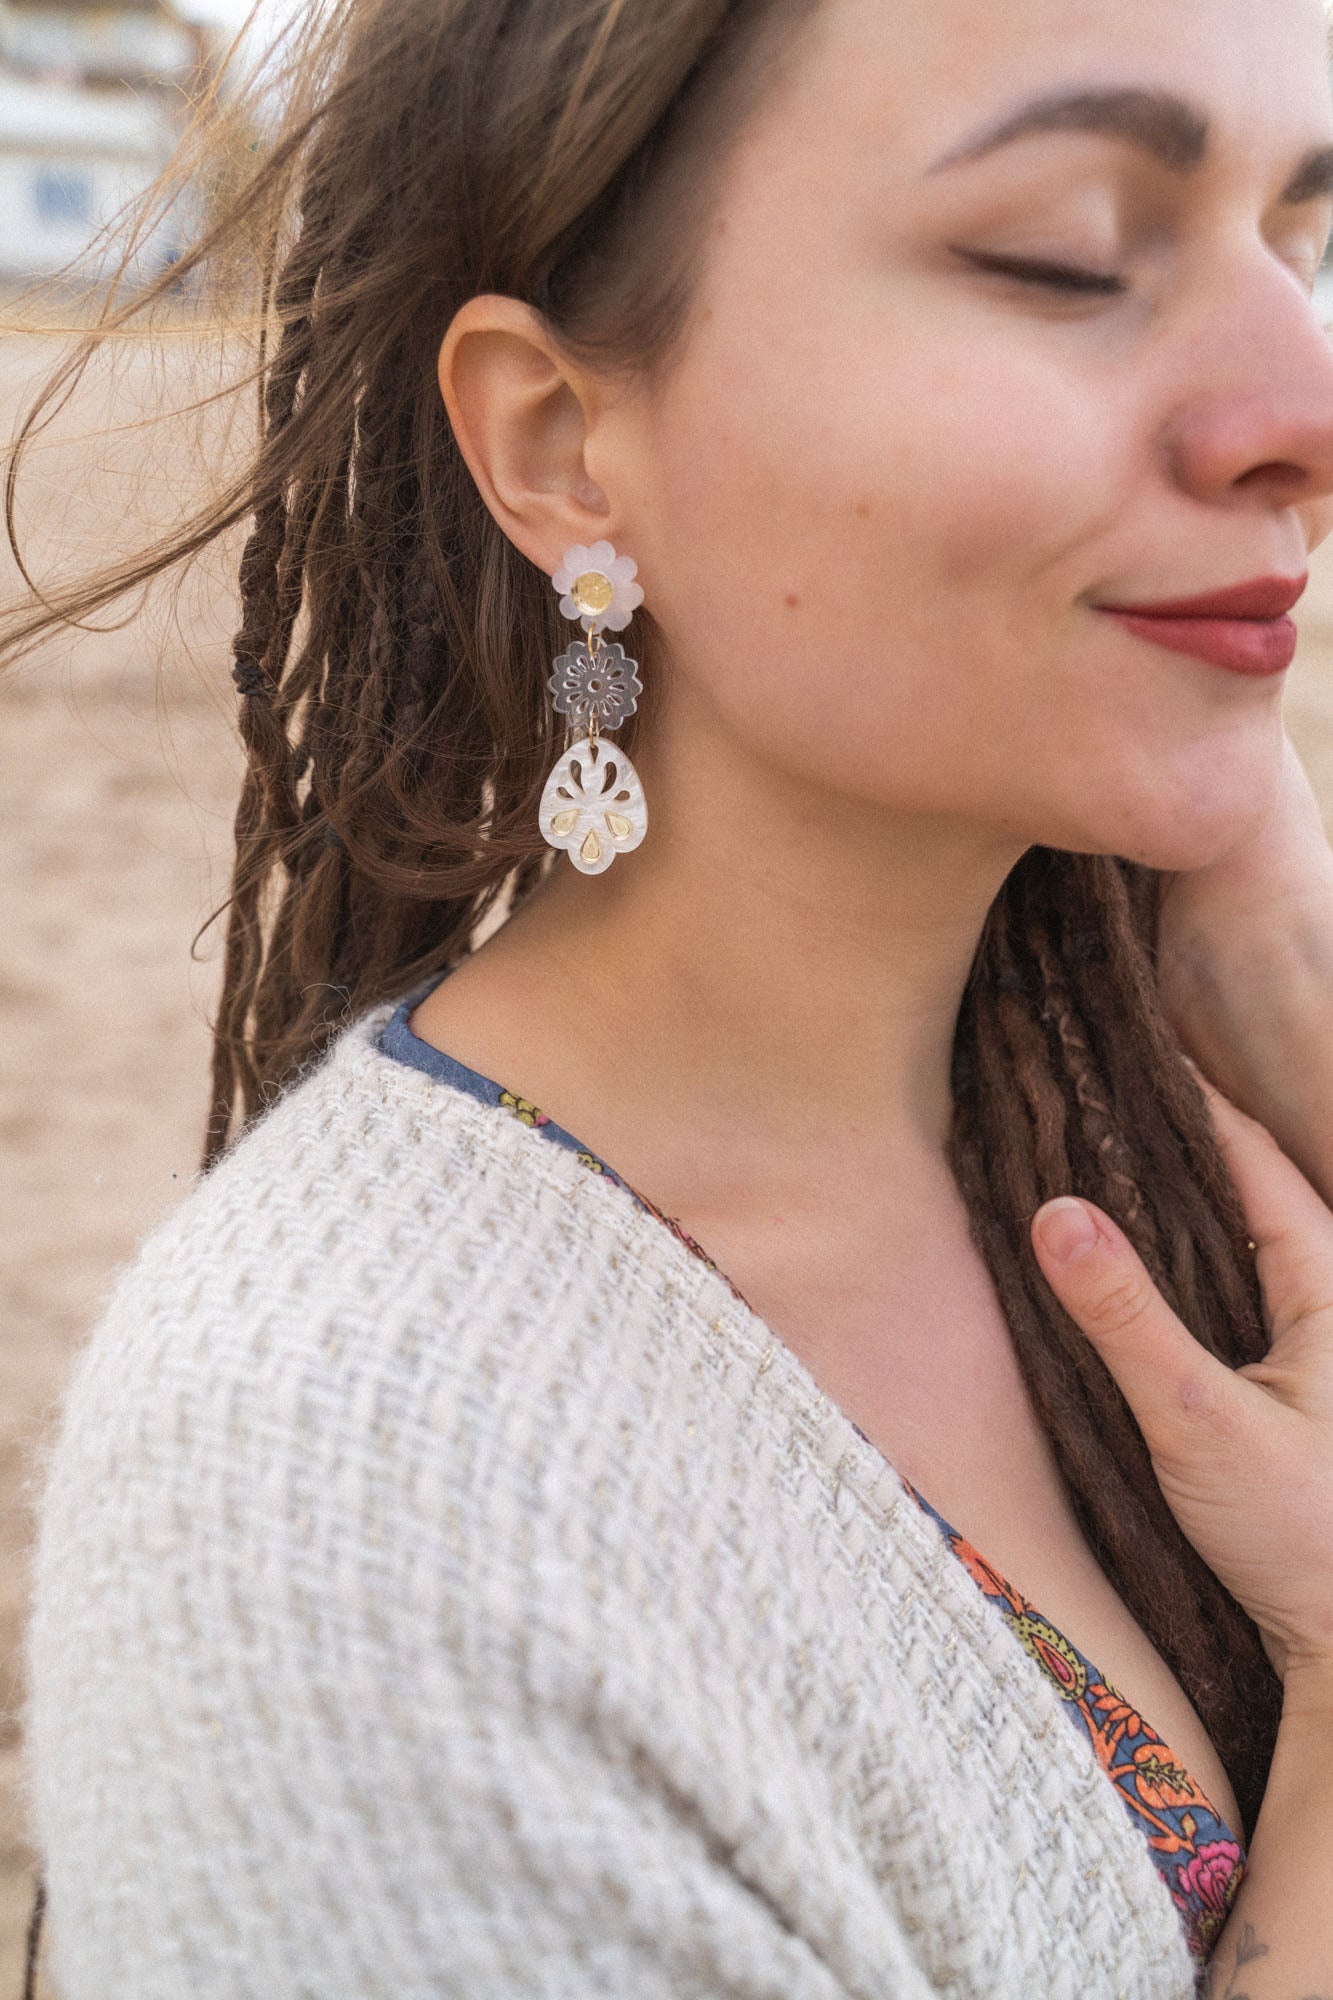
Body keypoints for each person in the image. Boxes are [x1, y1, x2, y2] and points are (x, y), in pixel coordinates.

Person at [9, 0, 1333, 1991]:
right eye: (1065, 254)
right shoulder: (353, 1516)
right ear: (558, 444)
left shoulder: (1153, 1106)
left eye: (1301, 246)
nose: (1298, 402)